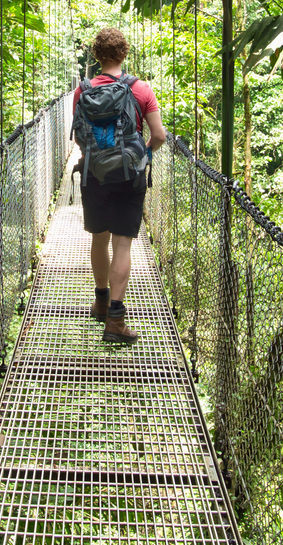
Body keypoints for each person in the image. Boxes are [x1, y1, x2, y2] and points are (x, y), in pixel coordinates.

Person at [73, 28, 166, 345]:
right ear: (124, 54)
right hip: (130, 175)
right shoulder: (140, 89)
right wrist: (143, 155)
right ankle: (115, 319)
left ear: (96, 56)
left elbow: (78, 137)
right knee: (122, 245)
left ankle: (99, 301)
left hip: (94, 175)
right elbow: (160, 136)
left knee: (99, 240)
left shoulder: (82, 90)